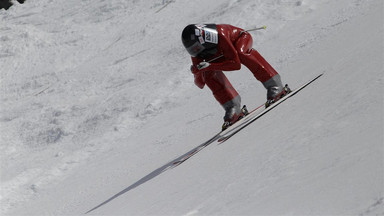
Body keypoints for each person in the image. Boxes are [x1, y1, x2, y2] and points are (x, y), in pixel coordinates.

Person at [181, 24, 290, 130]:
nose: (196, 51)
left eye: (196, 47)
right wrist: (197, 72)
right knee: (208, 73)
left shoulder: (219, 35)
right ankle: (232, 106)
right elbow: (200, 84)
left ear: (202, 39)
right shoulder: (197, 53)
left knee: (242, 53)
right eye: (191, 50)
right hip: (222, 53)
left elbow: (235, 64)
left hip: (239, 40)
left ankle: (275, 85)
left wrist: (210, 65)